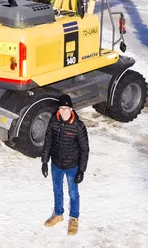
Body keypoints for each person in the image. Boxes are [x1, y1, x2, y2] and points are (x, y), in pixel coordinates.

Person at [41, 95, 89, 236]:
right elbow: (48, 141)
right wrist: (44, 161)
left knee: (73, 193)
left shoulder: (78, 126)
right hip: (56, 163)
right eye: (61, 108)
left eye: (66, 108)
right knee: (57, 189)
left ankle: (74, 218)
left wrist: (81, 170)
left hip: (72, 165)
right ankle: (58, 214)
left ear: (71, 109)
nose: (63, 111)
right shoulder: (54, 121)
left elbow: (84, 149)